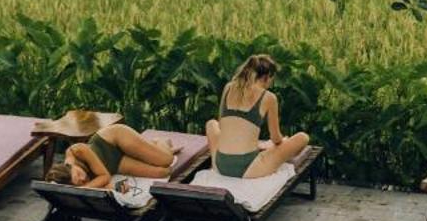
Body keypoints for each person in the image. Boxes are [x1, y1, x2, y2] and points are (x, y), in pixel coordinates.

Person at [206, 54, 308, 180]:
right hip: (248, 167)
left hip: (220, 164)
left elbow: (221, 125)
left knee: (211, 124)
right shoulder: (269, 97)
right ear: (266, 77)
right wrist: (280, 144)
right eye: (272, 79)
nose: (271, 83)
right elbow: (276, 138)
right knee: (303, 138)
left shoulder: (228, 87)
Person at [48, 114, 176, 189]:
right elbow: (111, 187)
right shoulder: (76, 181)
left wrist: (84, 188)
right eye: (79, 182)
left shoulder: (77, 150)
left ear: (70, 166)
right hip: (115, 164)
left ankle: (161, 142)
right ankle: (150, 148)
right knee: (163, 172)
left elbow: (105, 177)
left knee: (166, 160)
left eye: (78, 175)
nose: (84, 178)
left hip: (114, 139)